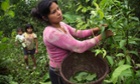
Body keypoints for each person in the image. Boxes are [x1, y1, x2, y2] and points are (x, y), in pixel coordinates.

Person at [31, 0, 113, 84]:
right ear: (45, 17)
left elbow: (79, 33)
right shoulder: (51, 33)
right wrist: (102, 36)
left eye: (58, 8)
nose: (59, 13)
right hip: (59, 72)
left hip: (68, 66)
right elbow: (79, 47)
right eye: (53, 12)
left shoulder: (61, 24)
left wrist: (98, 28)